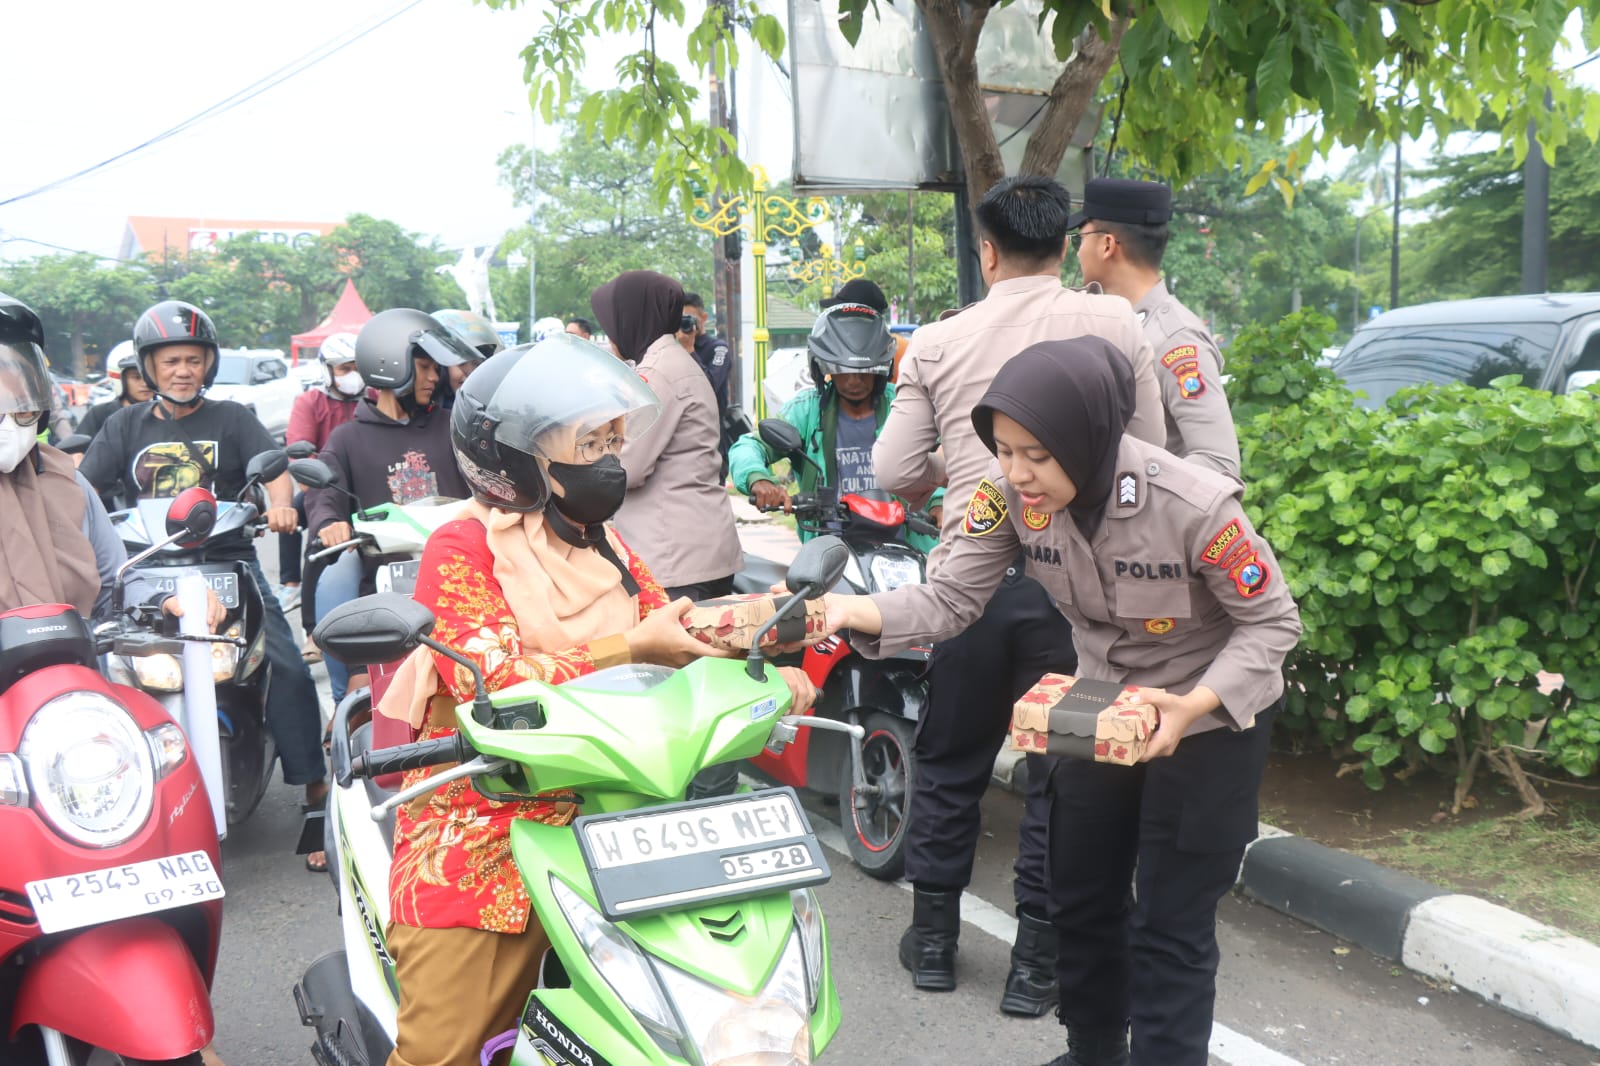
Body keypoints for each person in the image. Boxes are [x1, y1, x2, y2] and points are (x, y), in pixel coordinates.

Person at [826, 337, 1300, 1066]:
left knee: (1171, 923)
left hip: (1207, 718)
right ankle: (1095, 1050)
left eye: (1036, 455)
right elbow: (954, 597)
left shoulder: (1194, 504)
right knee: (1079, 895)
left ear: (1088, 437)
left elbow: (1272, 621)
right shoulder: (1005, 494)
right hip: (1098, 699)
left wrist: (1194, 705)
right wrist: (848, 614)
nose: (1017, 474)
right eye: (1004, 450)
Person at [373, 337, 817, 1066]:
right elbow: (494, 686)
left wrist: (761, 653)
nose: (612, 460)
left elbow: (672, 627)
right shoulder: (462, 549)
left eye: (616, 439)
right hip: (493, 814)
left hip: (624, 803)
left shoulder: (604, 542)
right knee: (441, 1055)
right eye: (590, 443)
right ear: (519, 458)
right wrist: (630, 650)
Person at [872, 174, 1163, 1016]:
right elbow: (1146, 450)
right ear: (1067, 243)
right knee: (1056, 774)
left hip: (967, 579)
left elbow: (892, 472)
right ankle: (1037, 965)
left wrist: (960, 476)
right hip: (1076, 598)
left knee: (952, 759)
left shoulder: (936, 340)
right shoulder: (1115, 321)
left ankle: (932, 945)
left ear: (987, 252)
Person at [79, 299, 329, 870]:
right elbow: (83, 493)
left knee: (287, 664)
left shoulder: (233, 419)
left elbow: (275, 470)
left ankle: (314, 792)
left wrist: (284, 507)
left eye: (193, 359)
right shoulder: (122, 426)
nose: (183, 370)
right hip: (147, 571)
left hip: (230, 562)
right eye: (170, 361)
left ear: (208, 364)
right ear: (148, 367)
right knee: (105, 668)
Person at [0, 294, 223, 629]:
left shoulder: (66, 483)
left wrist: (166, 601)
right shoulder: (116, 421)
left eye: (17, 398)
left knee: (284, 673)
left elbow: (115, 584)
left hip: (74, 671)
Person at [305, 309, 472, 709]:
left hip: (457, 581)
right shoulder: (348, 439)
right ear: (389, 366)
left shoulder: (454, 426)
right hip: (379, 598)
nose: (435, 378)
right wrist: (328, 521)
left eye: (436, 368)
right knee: (365, 702)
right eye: (425, 367)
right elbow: (324, 489)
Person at [729, 301, 941, 552]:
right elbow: (749, 446)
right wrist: (758, 479)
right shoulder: (806, 411)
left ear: (882, 369)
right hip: (830, 551)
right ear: (822, 369)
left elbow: (945, 454)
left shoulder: (904, 405)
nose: (854, 381)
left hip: (906, 546)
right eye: (843, 371)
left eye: (864, 371)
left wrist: (939, 502)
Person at [1071, 178, 1242, 479]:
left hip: (1151, 523)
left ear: (1107, 244)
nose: (1077, 252)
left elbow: (1220, 464)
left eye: (1081, 238)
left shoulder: (1174, 340)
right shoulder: (1105, 322)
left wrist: (1124, 486)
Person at [591, 271, 741, 602]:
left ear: (633, 318)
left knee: (671, 653)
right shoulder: (673, 360)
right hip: (697, 545)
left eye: (613, 323)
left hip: (674, 552)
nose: (611, 334)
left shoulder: (656, 372)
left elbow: (629, 466)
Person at [279, 331, 364, 626]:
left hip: (367, 489)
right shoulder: (310, 402)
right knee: (303, 522)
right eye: (344, 368)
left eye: (356, 367)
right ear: (328, 371)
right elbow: (300, 456)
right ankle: (298, 598)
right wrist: (320, 487)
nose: (352, 375)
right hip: (325, 487)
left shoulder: (376, 399)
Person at [74, 340, 153, 442]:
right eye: (136, 377)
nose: (145, 384)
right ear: (119, 379)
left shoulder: (166, 413)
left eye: (149, 376)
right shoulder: (99, 414)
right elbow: (77, 452)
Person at [431, 308, 503, 401]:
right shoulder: (421, 414)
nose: (471, 373)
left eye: (477, 364)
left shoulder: (487, 410)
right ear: (439, 369)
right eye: (462, 363)